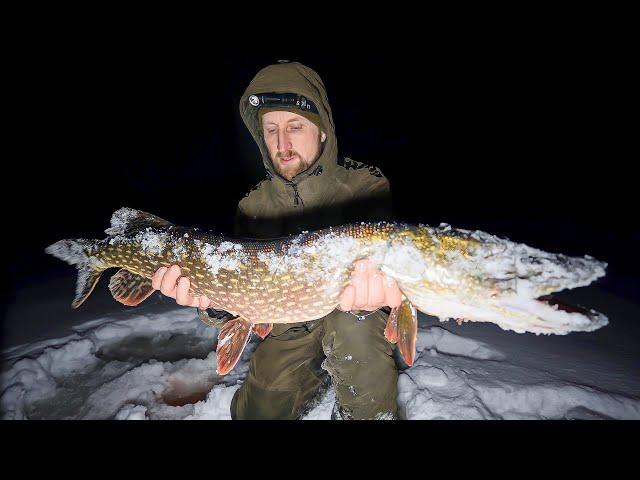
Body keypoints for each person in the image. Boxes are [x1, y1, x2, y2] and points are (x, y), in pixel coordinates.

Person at [151, 61, 403, 419]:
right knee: (257, 413)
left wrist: (383, 296)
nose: (282, 144)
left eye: (295, 127)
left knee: (353, 330)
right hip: (288, 324)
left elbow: (389, 262)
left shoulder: (365, 184)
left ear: (322, 132)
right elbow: (236, 289)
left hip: (354, 317)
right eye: (271, 130)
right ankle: (314, 377)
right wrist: (213, 303)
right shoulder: (253, 204)